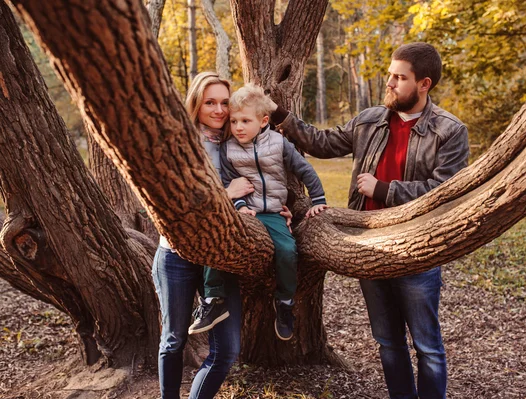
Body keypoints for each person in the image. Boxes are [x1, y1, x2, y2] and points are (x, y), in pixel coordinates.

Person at [270, 43, 469, 399]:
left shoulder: (450, 131)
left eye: (399, 78)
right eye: (390, 75)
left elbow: (447, 191)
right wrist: (279, 116)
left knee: (427, 346)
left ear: (424, 84)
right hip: (367, 248)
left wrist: (384, 189)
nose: (389, 83)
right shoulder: (370, 120)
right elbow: (323, 142)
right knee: (388, 343)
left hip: (416, 249)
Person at [152, 72, 285, 399]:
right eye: (210, 102)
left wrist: (274, 209)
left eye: (224, 102)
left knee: (226, 349)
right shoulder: (179, 143)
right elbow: (174, 204)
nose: (219, 109)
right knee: (173, 341)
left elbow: (262, 177)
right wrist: (227, 193)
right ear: (196, 103)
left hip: (221, 256)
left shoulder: (236, 140)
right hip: (176, 255)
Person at [193, 83, 327, 341]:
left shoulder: (279, 143)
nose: (238, 127)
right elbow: (229, 181)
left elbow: (305, 170)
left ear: (264, 121)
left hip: (272, 212)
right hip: (242, 209)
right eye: (233, 121)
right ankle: (212, 296)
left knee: (287, 251)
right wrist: (241, 207)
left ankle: (285, 302)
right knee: (217, 238)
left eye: (245, 120)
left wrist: (318, 199)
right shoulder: (228, 148)